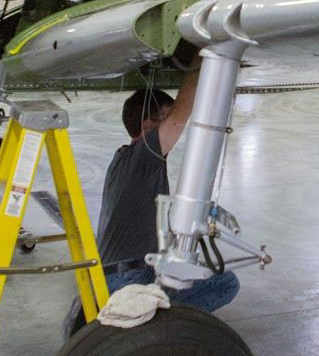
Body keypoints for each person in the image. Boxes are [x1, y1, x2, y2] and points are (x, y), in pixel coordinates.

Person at [63, 61, 238, 336]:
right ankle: (148, 331)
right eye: (165, 120)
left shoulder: (123, 159)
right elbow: (180, 115)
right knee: (225, 283)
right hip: (128, 278)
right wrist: (201, 61)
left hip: (108, 275)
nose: (176, 131)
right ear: (148, 125)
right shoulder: (144, 155)